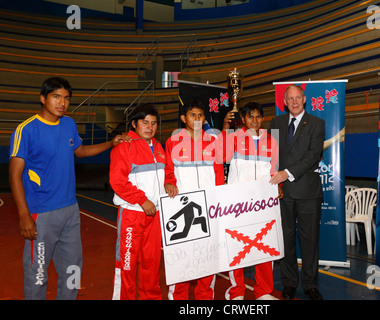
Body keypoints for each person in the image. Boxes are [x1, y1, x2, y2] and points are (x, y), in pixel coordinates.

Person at [9, 77, 129, 300]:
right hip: (41, 213)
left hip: (71, 211)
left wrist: (111, 143)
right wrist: (24, 214)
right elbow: (14, 173)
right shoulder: (26, 130)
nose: (62, 103)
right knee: (38, 273)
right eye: (56, 97)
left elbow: (80, 151)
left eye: (66, 98)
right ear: (43, 98)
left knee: (73, 269)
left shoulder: (68, 124)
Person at [218, 102, 280, 300]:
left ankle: (264, 291)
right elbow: (222, 156)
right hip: (238, 203)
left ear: (262, 119)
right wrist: (226, 129)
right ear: (243, 119)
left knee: (265, 247)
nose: (254, 120)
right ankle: (237, 291)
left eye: (258, 116)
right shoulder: (234, 137)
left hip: (263, 203)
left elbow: (274, 169)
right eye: (250, 116)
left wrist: (278, 186)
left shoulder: (272, 140)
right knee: (237, 248)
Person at [164, 100, 225, 300]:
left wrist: (218, 198)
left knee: (207, 257)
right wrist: (169, 183)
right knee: (182, 258)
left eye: (200, 115)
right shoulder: (173, 141)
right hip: (182, 209)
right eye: (193, 115)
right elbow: (168, 171)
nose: (197, 119)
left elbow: (218, 173)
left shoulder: (212, 142)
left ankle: (205, 297)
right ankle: (178, 297)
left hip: (208, 208)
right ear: (184, 118)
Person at [269, 84, 325, 300]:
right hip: (282, 193)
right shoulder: (276, 122)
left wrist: (287, 173)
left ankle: (311, 284)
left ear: (304, 100)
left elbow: (313, 155)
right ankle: (289, 282)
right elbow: (271, 153)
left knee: (310, 240)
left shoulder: (317, 123)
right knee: (286, 240)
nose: (294, 101)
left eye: (297, 98)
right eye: (290, 98)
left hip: (308, 192)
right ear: (285, 102)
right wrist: (274, 177)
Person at [109, 104, 165, 300]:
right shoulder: (124, 146)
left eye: (154, 123)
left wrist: (170, 184)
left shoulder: (159, 147)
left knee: (151, 262)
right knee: (127, 263)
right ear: (134, 124)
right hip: (132, 214)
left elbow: (167, 176)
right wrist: (142, 200)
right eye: (145, 122)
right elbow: (117, 182)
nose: (150, 127)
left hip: (155, 215)